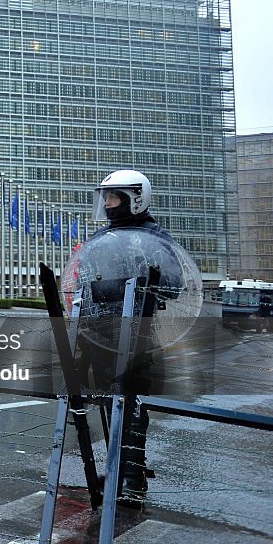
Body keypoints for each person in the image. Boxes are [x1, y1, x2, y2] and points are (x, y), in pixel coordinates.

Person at [77, 169, 177, 506]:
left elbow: (174, 283)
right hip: (102, 333)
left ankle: (133, 477)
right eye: (104, 197)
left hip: (136, 334)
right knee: (108, 402)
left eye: (114, 196)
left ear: (136, 198)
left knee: (132, 402)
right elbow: (87, 282)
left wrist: (143, 276)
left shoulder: (154, 235)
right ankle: (118, 467)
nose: (107, 203)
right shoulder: (104, 237)